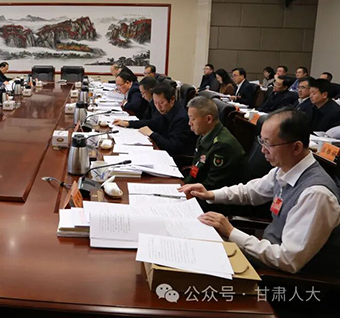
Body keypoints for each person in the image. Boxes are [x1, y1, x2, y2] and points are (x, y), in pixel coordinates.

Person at [179, 108, 340, 275]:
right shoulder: (285, 168)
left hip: (283, 276)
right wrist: (211, 194)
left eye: (268, 144)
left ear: (296, 147)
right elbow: (250, 192)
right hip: (265, 254)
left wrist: (231, 232)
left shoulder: (316, 194)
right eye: (261, 141)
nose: (262, 150)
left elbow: (288, 260)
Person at [185, 96, 248, 190]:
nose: (189, 123)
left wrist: (186, 189)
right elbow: (196, 168)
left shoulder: (222, 146)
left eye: (193, 119)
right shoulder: (205, 135)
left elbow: (212, 186)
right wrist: (185, 184)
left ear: (209, 119)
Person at [137, 83, 197, 156]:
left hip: (176, 158)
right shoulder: (165, 110)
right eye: (155, 103)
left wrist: (152, 134)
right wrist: (128, 123)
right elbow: (153, 123)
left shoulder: (181, 118)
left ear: (172, 99)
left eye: (161, 103)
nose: (158, 107)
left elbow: (173, 147)